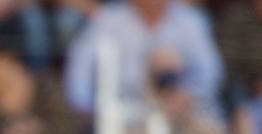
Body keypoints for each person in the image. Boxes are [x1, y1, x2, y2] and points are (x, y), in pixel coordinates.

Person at [64, 0, 223, 120]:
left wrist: (187, 93)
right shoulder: (107, 20)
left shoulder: (189, 20)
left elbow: (210, 72)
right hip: (125, 113)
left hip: (181, 112)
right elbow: (79, 71)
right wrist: (90, 110)